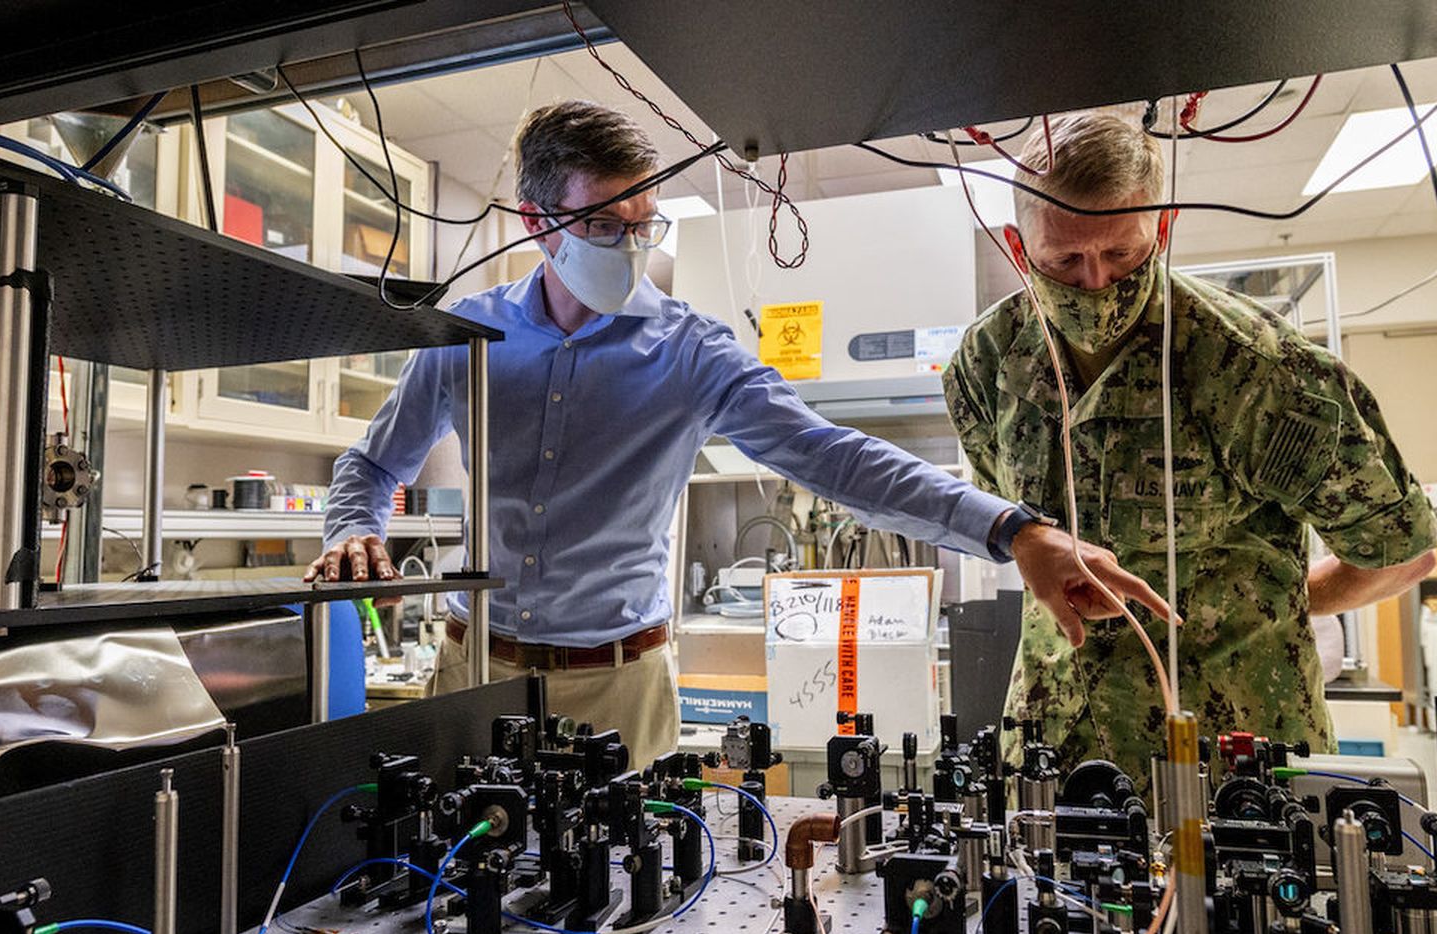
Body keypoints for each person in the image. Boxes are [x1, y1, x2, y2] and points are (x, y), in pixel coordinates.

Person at [308, 100, 1169, 762]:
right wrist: (355, 525)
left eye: (643, 225)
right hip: (473, 673)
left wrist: (1012, 530)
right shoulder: (467, 336)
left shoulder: (689, 352)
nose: (629, 245)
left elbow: (833, 457)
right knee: (458, 895)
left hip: (618, 684)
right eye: (603, 226)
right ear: (538, 224)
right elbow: (373, 462)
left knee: (622, 922)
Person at [942, 111, 1437, 783]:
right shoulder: (987, 363)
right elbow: (1008, 521)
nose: (1095, 282)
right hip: (1056, 747)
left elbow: (1402, 552)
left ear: (1165, 227)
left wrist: (1284, 601)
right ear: (1016, 245)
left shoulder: (1258, 371)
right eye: (1063, 260)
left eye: (1123, 253)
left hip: (1232, 752)